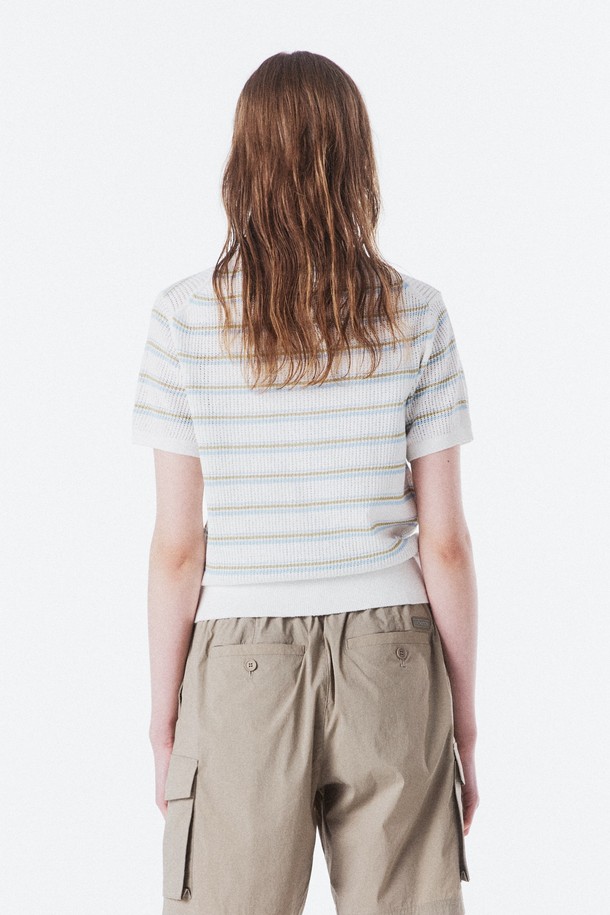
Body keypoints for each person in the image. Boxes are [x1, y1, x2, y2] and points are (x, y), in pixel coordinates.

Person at [132, 50, 479, 915]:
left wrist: (164, 711)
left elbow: (178, 548)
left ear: (242, 162)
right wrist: (464, 721)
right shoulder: (417, 312)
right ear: (357, 159)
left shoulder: (184, 319)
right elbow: (444, 542)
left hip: (240, 660)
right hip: (392, 654)